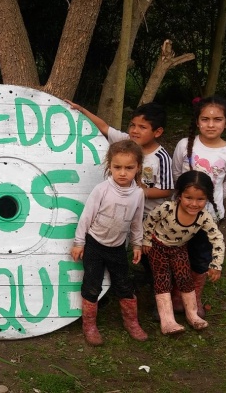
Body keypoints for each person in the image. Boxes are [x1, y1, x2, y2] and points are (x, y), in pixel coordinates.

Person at [66, 101, 175, 318]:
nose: (135, 130)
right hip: (120, 211)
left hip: (148, 215)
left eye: (142, 127)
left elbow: (168, 190)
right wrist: (82, 109)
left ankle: (157, 295)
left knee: (151, 257)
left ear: (158, 131)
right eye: (133, 125)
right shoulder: (126, 144)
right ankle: (108, 292)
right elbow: (105, 128)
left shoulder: (161, 157)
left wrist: (137, 193)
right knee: (114, 254)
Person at [71, 140, 148, 346]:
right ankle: (89, 326)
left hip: (117, 248)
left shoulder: (138, 193)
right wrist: (79, 242)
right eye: (117, 167)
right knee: (92, 285)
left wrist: (137, 245)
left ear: (138, 167)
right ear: (110, 166)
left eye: (129, 168)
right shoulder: (102, 190)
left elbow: (136, 221)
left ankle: (131, 322)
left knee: (124, 284)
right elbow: (86, 217)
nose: (123, 173)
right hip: (95, 245)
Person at [171, 95, 226, 318]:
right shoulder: (184, 145)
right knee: (178, 254)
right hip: (179, 216)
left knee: (201, 257)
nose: (211, 124)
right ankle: (175, 296)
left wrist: (211, 202)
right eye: (205, 119)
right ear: (197, 121)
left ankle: (194, 298)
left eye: (217, 119)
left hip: (208, 217)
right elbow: (176, 175)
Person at [143, 170, 225, 335]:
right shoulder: (167, 208)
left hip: (179, 249)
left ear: (207, 198)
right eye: (189, 198)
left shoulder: (204, 217)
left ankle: (192, 315)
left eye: (200, 199)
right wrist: (145, 240)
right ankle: (167, 320)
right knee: (162, 279)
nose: (194, 204)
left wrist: (216, 264)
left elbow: (217, 238)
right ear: (180, 195)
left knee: (185, 278)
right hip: (158, 247)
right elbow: (149, 220)